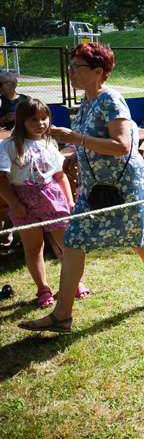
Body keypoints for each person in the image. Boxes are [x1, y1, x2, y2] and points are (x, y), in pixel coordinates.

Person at [19, 42, 144, 333]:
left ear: (98, 71)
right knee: (73, 240)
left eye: (77, 67)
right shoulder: (88, 100)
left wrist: (75, 140)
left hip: (123, 186)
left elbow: (123, 145)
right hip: (93, 187)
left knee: (138, 239)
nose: (70, 71)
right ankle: (62, 314)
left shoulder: (111, 99)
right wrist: (78, 155)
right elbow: (94, 137)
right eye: (71, 66)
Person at [0, 98, 90, 309]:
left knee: (68, 245)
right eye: (33, 119)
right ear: (22, 121)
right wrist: (13, 203)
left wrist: (69, 201)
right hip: (22, 202)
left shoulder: (50, 143)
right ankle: (43, 287)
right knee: (33, 248)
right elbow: (1, 180)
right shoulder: (8, 146)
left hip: (52, 198)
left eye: (44, 118)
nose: (41, 123)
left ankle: (73, 281)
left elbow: (60, 176)